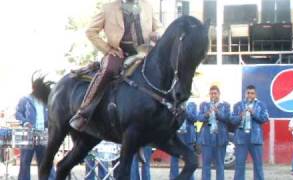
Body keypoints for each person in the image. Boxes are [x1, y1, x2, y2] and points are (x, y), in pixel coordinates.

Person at [69, 0, 163, 131]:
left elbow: (159, 27)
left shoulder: (147, 6)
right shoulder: (107, 8)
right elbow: (91, 31)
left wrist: (157, 33)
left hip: (144, 52)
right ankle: (84, 112)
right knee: (108, 70)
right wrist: (108, 49)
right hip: (119, 53)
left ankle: (172, 109)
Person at [15, 76, 55, 180]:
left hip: (43, 133)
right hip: (28, 133)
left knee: (45, 160)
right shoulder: (25, 99)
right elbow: (18, 113)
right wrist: (25, 122)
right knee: (25, 161)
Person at [231, 85, 269, 180]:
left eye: (252, 93)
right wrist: (240, 116)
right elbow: (232, 120)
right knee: (239, 165)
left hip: (255, 139)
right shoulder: (238, 105)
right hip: (241, 139)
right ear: (245, 93)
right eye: (248, 93)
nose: (250, 95)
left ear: (255, 94)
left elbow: (265, 118)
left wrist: (254, 113)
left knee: (258, 165)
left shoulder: (261, 105)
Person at [198, 85, 231, 180]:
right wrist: (206, 114)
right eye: (211, 93)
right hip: (207, 139)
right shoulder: (204, 105)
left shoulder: (225, 105)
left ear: (219, 94)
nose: (213, 95)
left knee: (220, 164)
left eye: (215, 93)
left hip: (220, 139)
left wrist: (218, 112)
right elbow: (199, 118)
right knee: (206, 165)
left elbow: (228, 119)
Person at [169, 102, 198, 180]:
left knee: (190, 161)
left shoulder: (192, 105)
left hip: (189, 138)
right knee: (174, 161)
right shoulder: (173, 104)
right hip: (176, 138)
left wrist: (185, 111)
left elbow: (195, 118)